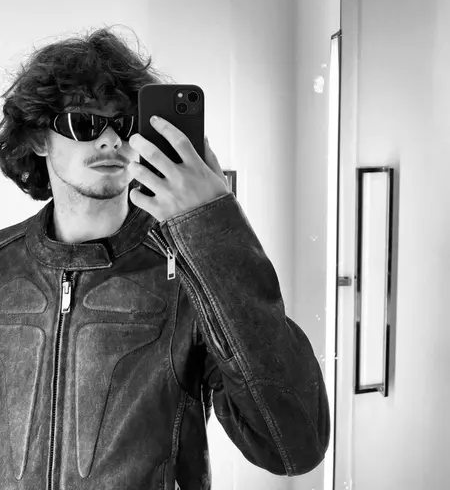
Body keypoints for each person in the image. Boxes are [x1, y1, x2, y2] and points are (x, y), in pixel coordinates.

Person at [0, 27, 330, 490]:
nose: (111, 141)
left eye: (125, 124)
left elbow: (294, 446)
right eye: (84, 123)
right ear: (39, 139)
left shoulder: (193, 269)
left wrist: (213, 228)